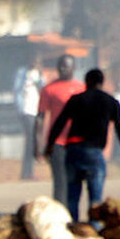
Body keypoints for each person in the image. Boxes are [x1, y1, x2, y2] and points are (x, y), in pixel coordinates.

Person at [45, 69, 120, 222]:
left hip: (73, 151)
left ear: (86, 82)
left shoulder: (76, 99)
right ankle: (94, 234)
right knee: (95, 202)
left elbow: (60, 123)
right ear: (102, 82)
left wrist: (49, 145)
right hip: (94, 154)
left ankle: (72, 231)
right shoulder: (111, 102)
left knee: (72, 199)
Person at [35, 54, 85, 203]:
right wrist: (38, 144)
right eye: (61, 65)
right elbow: (40, 117)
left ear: (74, 68)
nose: (63, 69)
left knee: (75, 181)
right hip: (57, 143)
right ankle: (60, 214)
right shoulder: (49, 89)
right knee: (60, 181)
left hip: (77, 142)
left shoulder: (81, 88)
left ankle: (73, 217)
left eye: (67, 65)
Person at [13, 56, 42, 180]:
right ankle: (27, 173)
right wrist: (20, 109)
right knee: (30, 142)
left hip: (36, 111)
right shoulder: (22, 73)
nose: (34, 62)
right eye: (33, 60)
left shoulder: (39, 75)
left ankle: (28, 172)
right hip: (27, 111)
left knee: (33, 142)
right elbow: (16, 91)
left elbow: (43, 91)